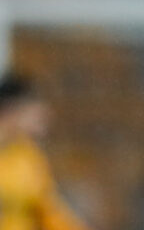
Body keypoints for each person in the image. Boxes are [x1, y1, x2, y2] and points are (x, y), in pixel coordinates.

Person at [0, 74, 90, 230]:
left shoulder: (28, 156)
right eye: (34, 109)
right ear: (11, 109)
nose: (45, 116)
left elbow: (51, 211)